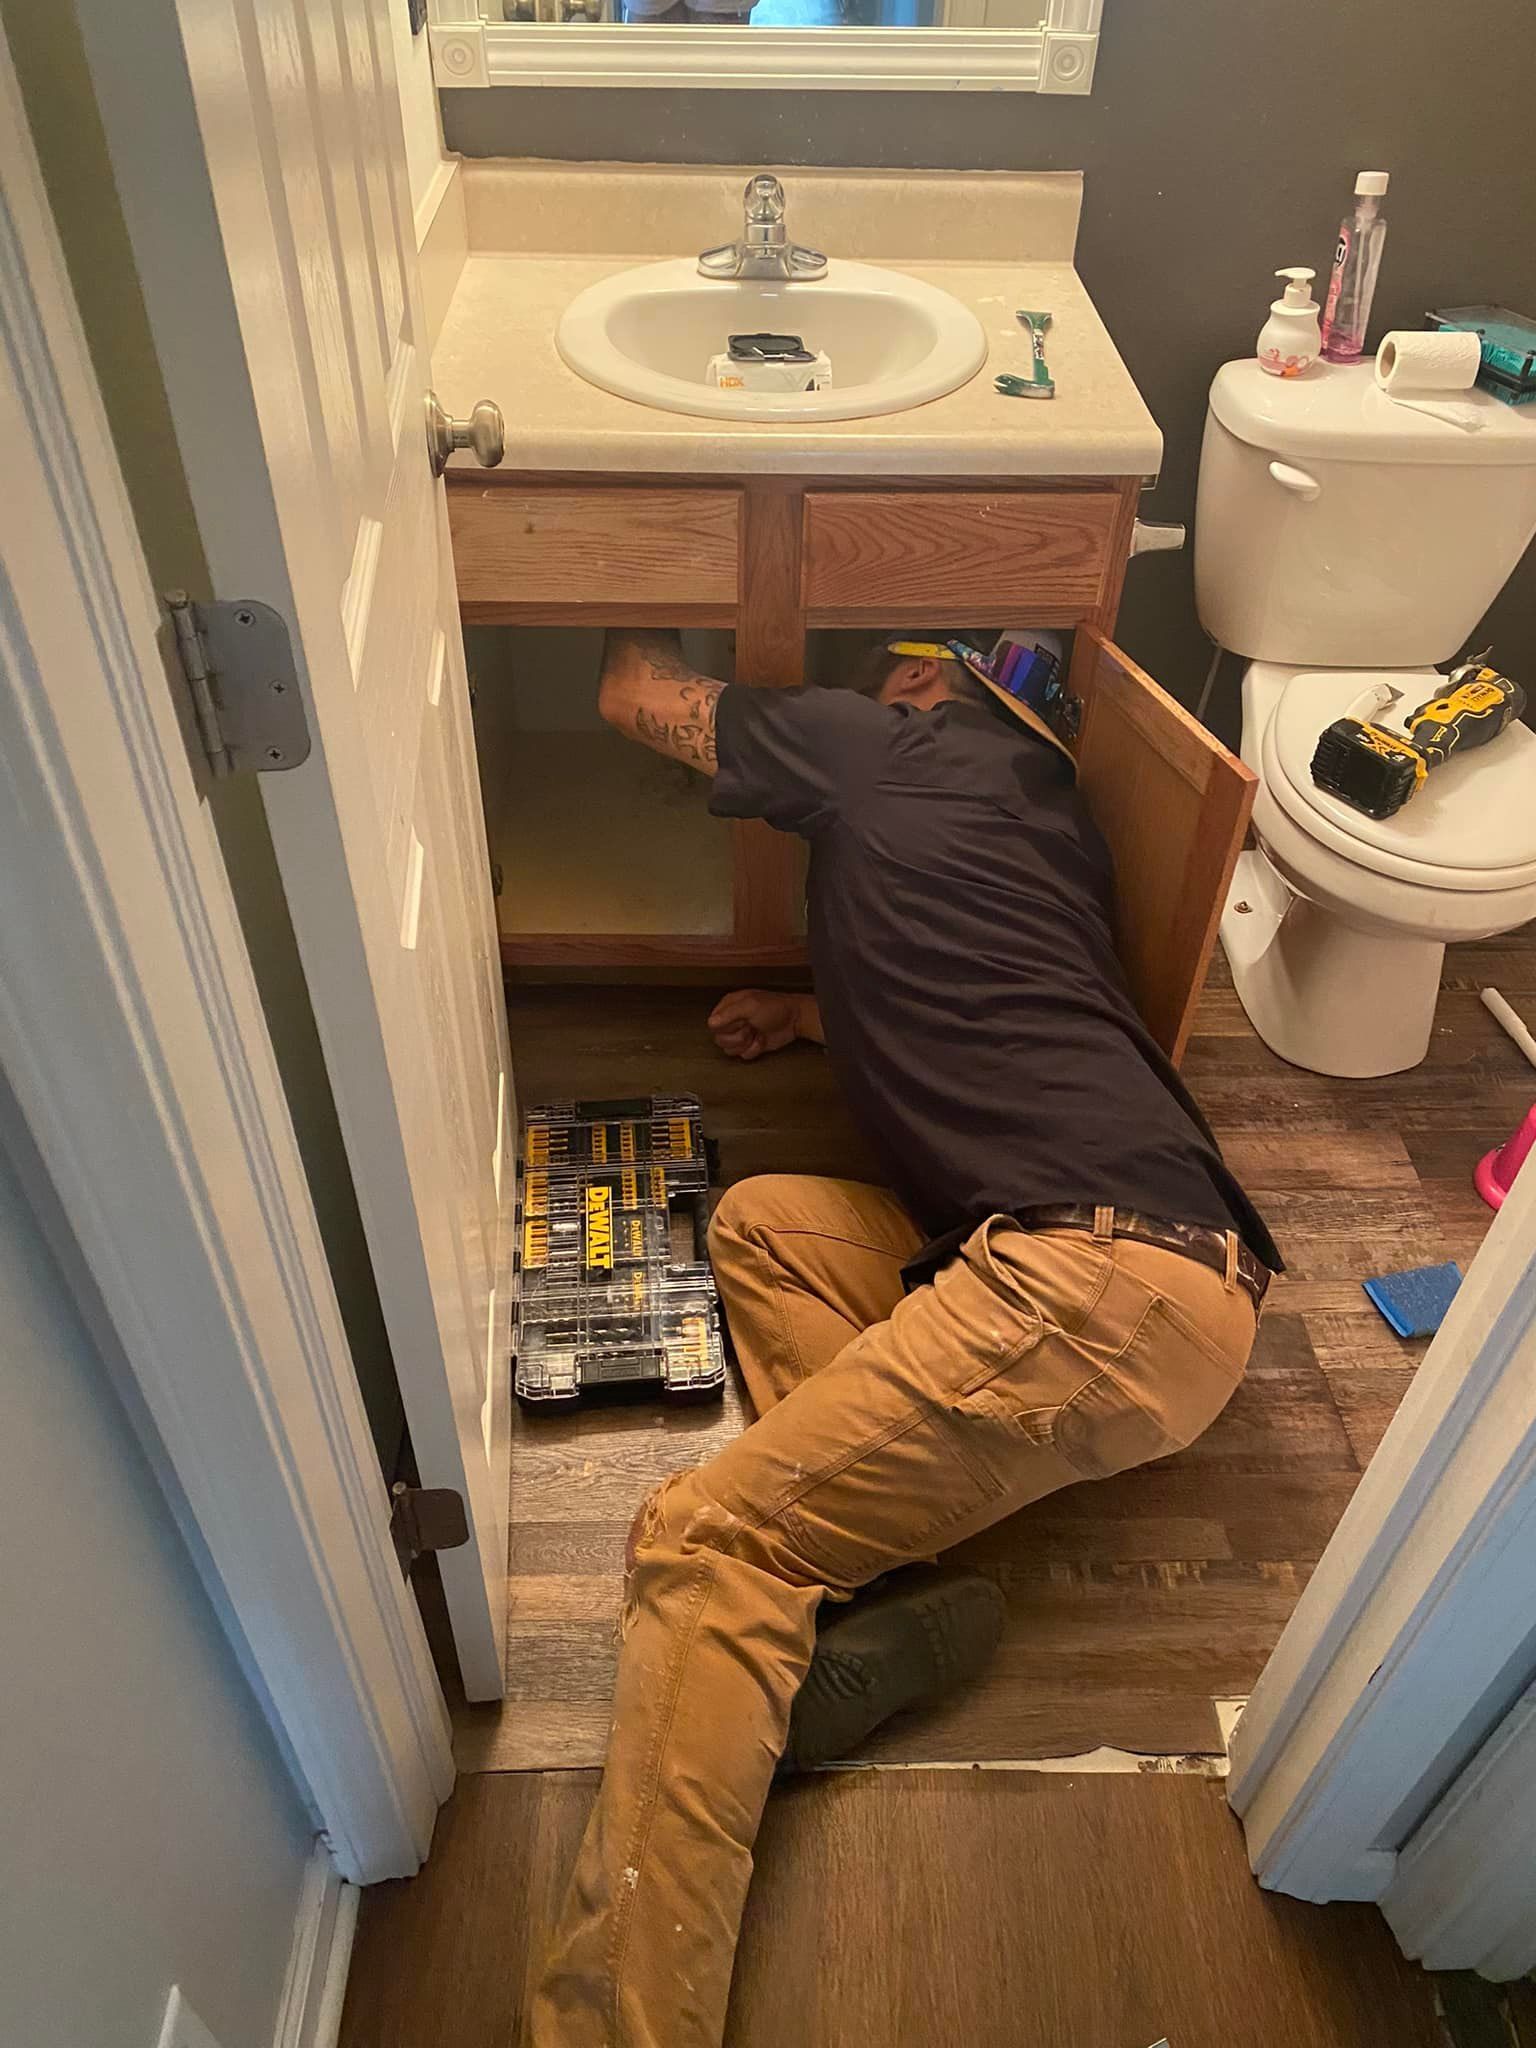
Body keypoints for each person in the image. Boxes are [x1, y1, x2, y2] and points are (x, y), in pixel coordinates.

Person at [530, 629, 1280, 2048]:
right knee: (764, 1223)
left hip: (1081, 1294)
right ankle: (876, 1586)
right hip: (1164, 1272)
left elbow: (632, 693)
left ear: (929, 683)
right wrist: (811, 1016)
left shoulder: (884, 744)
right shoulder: (1051, 830)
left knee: (712, 1543)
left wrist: (630, 590)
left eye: (875, 678)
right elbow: (987, 985)